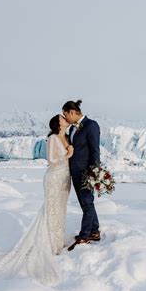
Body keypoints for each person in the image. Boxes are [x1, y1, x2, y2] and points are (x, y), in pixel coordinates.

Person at [0, 114, 74, 284]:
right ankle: (51, 244)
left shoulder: (65, 136)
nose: (66, 119)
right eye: (62, 118)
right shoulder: (52, 138)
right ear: (57, 123)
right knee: (51, 209)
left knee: (61, 210)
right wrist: (67, 154)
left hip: (65, 178)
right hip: (54, 178)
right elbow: (51, 161)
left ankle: (57, 241)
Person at [62, 100, 101, 251]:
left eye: (66, 115)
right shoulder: (72, 128)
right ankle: (95, 231)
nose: (65, 118)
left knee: (87, 203)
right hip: (75, 172)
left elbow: (95, 150)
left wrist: (94, 171)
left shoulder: (91, 125)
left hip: (86, 172)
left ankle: (85, 235)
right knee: (85, 203)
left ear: (72, 112)